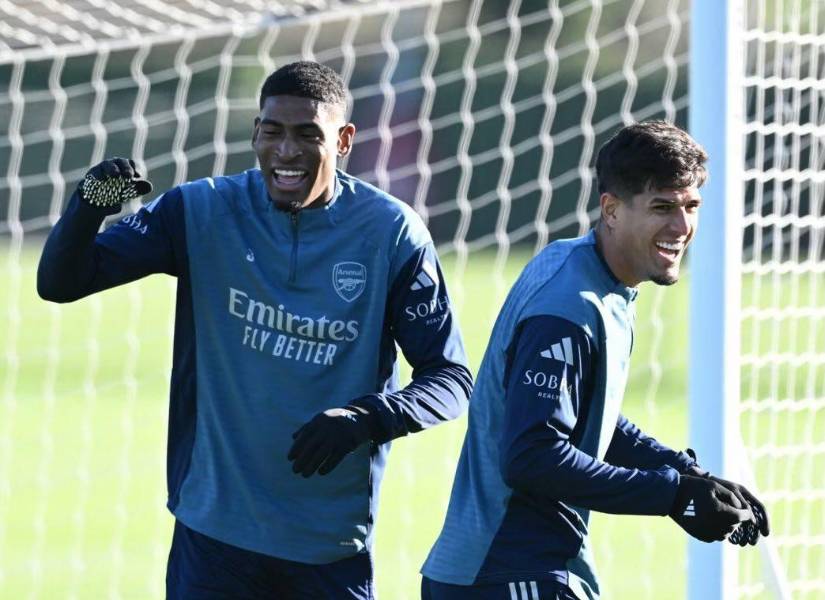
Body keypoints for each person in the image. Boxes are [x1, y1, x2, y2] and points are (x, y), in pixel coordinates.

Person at [38, 60, 472, 599]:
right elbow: (61, 282)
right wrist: (87, 208)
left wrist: (367, 419)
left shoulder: (391, 233)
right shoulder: (202, 210)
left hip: (327, 545)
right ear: (256, 134)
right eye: (272, 132)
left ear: (343, 140)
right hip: (214, 536)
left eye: (307, 134)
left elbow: (451, 378)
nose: (286, 151)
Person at [420, 121, 769, 600]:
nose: (682, 227)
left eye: (691, 207)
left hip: (519, 569)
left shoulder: (580, 266)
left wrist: (687, 475)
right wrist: (670, 496)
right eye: (662, 207)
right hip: (507, 573)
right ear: (611, 210)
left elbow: (585, 411)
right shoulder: (569, 306)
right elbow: (532, 456)